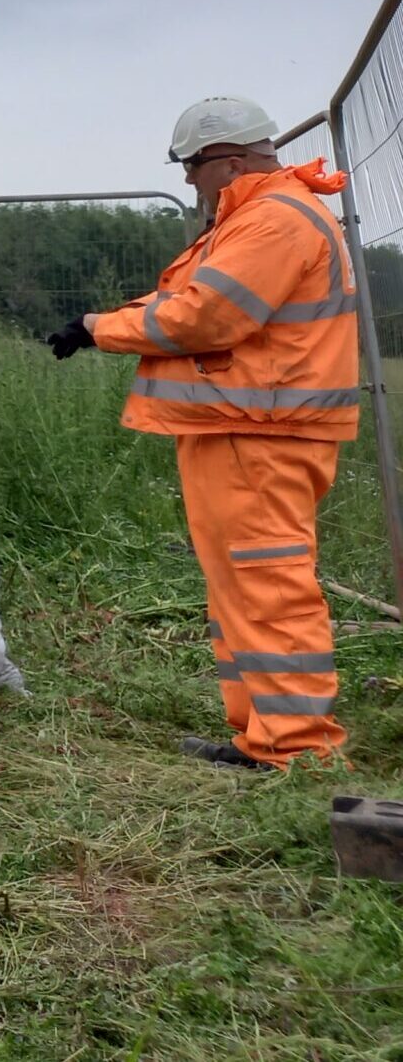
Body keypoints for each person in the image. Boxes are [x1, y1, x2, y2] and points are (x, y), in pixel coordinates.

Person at [47, 96, 356, 769]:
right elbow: (195, 304)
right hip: (242, 428)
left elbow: (205, 316)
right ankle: (263, 736)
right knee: (243, 585)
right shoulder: (261, 217)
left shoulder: (273, 221)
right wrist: (107, 322)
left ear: (233, 161)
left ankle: (297, 747)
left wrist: (100, 327)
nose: (189, 180)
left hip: (261, 433)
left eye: (193, 166)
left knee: (268, 584)